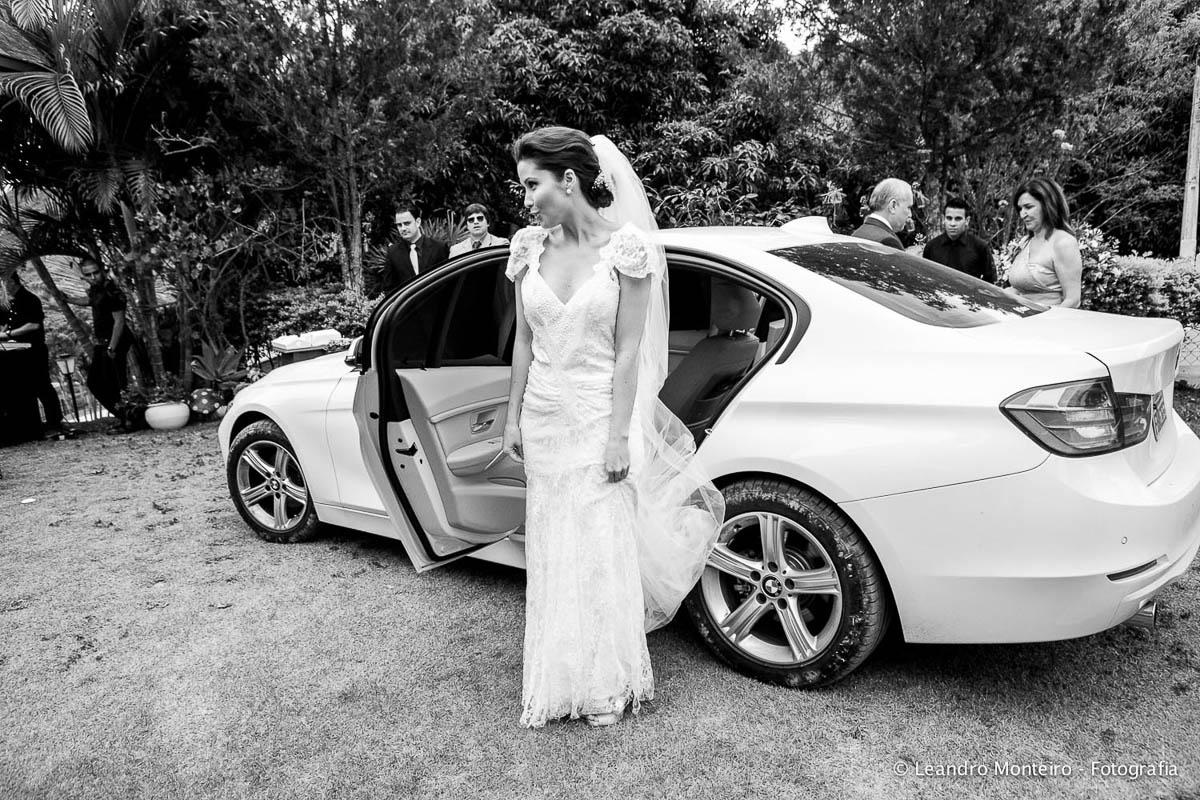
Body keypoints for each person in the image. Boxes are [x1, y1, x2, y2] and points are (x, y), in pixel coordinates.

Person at [501, 126, 724, 729]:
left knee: (601, 546)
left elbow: (629, 353)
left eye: (533, 185)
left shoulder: (627, 250)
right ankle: (557, 676)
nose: (527, 200)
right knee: (553, 544)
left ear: (569, 180)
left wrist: (618, 436)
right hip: (544, 418)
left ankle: (604, 683)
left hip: (602, 416)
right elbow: (523, 341)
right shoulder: (527, 247)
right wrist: (512, 416)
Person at [0, 271, 66, 437]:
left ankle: (55, 422)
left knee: (42, 385)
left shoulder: (29, 299)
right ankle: (32, 425)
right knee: (27, 386)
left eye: (4, 283)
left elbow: (33, 325)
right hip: (19, 349)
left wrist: (8, 334)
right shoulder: (13, 302)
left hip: (34, 349)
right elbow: (12, 323)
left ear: (11, 282)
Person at [68, 257, 134, 422]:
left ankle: (128, 418)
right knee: (96, 383)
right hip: (102, 341)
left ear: (102, 271)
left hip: (114, 341)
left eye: (95, 273)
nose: (93, 277)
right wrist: (68, 299)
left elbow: (119, 322)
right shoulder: (96, 289)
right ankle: (124, 416)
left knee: (115, 383)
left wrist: (112, 347)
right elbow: (91, 301)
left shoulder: (112, 291)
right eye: (88, 275)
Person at [1006, 178, 1082, 308]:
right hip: (1019, 317)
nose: (1023, 214)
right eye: (1020, 209)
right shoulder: (1025, 242)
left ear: (1047, 206)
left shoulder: (1063, 242)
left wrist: (1047, 319)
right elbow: (1020, 289)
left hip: (1050, 319)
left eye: (1029, 207)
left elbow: (1073, 300)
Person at [923, 197, 997, 283]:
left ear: (967, 221)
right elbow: (925, 278)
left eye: (958, 219)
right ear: (943, 219)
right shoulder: (932, 247)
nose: (953, 224)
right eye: (949, 218)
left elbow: (990, 281)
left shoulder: (979, 247)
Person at [381, 203, 449, 295]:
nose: (403, 228)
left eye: (407, 223)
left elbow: (447, 283)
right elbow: (388, 288)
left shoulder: (439, 248)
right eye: (399, 225)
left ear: (418, 222)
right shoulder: (393, 252)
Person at [851, 178, 912, 249]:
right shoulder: (888, 242)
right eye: (908, 207)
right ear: (893, 206)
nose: (910, 214)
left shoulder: (856, 234)